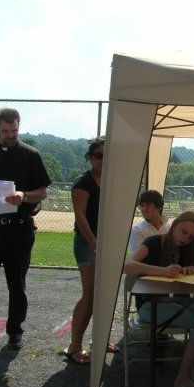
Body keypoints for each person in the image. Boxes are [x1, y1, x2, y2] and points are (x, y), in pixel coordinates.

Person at [124, 211, 194, 387]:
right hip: (149, 307)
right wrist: (162, 271)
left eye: (190, 236)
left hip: (176, 303)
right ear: (175, 225)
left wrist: (189, 271)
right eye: (183, 232)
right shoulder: (154, 242)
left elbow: (185, 282)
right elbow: (127, 265)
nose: (185, 239)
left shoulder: (186, 250)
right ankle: (186, 376)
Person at [0, 108, 51, 350]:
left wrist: (24, 195)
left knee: (17, 285)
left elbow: (42, 191)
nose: (10, 135)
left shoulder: (31, 156)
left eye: (14, 130)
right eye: (5, 131)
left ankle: (15, 332)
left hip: (18, 231)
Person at [64, 137, 118, 364]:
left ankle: (100, 339)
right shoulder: (82, 183)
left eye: (107, 156)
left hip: (106, 243)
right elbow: (80, 215)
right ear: (90, 158)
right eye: (99, 155)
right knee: (90, 294)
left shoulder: (112, 180)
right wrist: (93, 240)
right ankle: (74, 346)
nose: (103, 160)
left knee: (103, 294)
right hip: (88, 244)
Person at [128, 189, 171, 255]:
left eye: (148, 205)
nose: (144, 209)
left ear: (159, 207)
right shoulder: (136, 230)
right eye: (142, 205)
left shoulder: (169, 228)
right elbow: (137, 259)